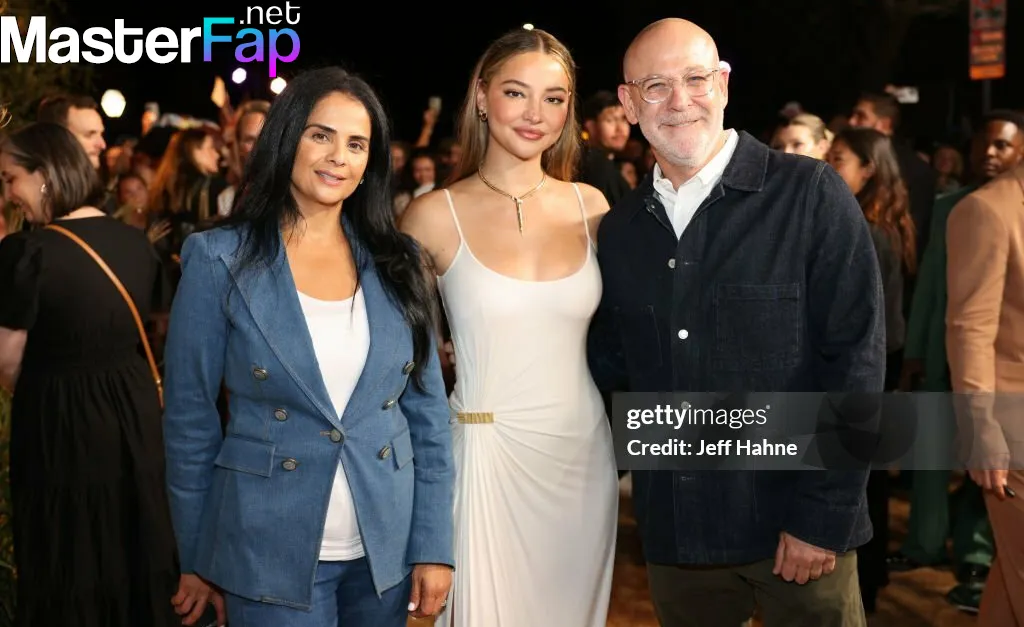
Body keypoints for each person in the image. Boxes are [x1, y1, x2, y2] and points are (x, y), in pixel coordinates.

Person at [589, 18, 884, 626]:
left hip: (797, 534)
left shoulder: (810, 194)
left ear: (722, 84)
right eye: (656, 86)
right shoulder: (620, 231)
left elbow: (856, 364)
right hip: (678, 537)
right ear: (629, 103)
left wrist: (822, 518)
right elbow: (614, 370)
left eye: (696, 79)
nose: (680, 102)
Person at [161, 67, 456, 627]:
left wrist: (433, 545)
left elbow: (428, 417)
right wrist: (199, 558)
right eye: (321, 135)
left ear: (371, 162)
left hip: (385, 549)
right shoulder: (218, 259)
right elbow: (190, 422)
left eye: (356, 144)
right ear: (286, 137)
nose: (338, 157)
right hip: (264, 549)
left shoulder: (402, 263)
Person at [399, 27, 619, 627]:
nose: (535, 114)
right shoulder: (431, 216)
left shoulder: (594, 208)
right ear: (481, 96)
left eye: (554, 98)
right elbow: (404, 370)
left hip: (581, 461)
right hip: (481, 457)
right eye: (516, 93)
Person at [0, 122, 179, 626]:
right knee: (131, 538)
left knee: (69, 549)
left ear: (44, 175)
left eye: (11, 179)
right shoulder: (135, 242)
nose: (9, 194)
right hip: (134, 412)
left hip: (61, 419)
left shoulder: (28, 252)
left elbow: (7, 359)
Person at [946, 162, 1024, 627]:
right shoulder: (988, 210)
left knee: (1011, 577)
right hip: (1012, 428)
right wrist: (980, 427)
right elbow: (968, 329)